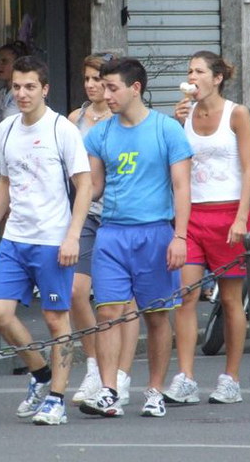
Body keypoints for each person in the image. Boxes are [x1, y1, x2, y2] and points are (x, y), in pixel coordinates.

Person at [0, 56, 93, 426]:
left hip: (52, 239)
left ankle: (57, 399)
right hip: (15, 238)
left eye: (30, 86)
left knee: (55, 319)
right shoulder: (7, 128)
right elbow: (5, 181)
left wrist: (73, 236)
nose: (22, 93)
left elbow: (84, 185)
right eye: (16, 86)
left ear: (45, 89)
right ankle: (41, 373)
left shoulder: (62, 129)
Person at [79, 57, 192, 418]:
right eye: (102, 87)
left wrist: (180, 236)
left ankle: (155, 390)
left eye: (112, 88)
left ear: (135, 88)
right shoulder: (99, 134)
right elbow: (93, 187)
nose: (105, 94)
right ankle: (109, 390)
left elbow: (182, 186)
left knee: (156, 316)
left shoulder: (167, 129)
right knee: (108, 313)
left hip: (155, 233)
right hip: (111, 234)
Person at [163, 51, 250, 406]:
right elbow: (178, 166)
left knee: (230, 299)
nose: (192, 77)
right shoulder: (184, 114)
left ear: (217, 78)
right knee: (185, 296)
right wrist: (176, 122)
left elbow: (248, 169)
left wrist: (241, 218)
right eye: (189, 71)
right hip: (192, 215)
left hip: (228, 212)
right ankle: (186, 377)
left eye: (199, 71)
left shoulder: (237, 114)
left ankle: (231, 378)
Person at [67, 53, 140, 408]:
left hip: (121, 216)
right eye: (87, 79)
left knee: (123, 302)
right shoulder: (74, 119)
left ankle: (120, 377)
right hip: (87, 213)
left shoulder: (121, 116)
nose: (92, 86)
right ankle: (95, 366)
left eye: (98, 79)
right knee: (76, 291)